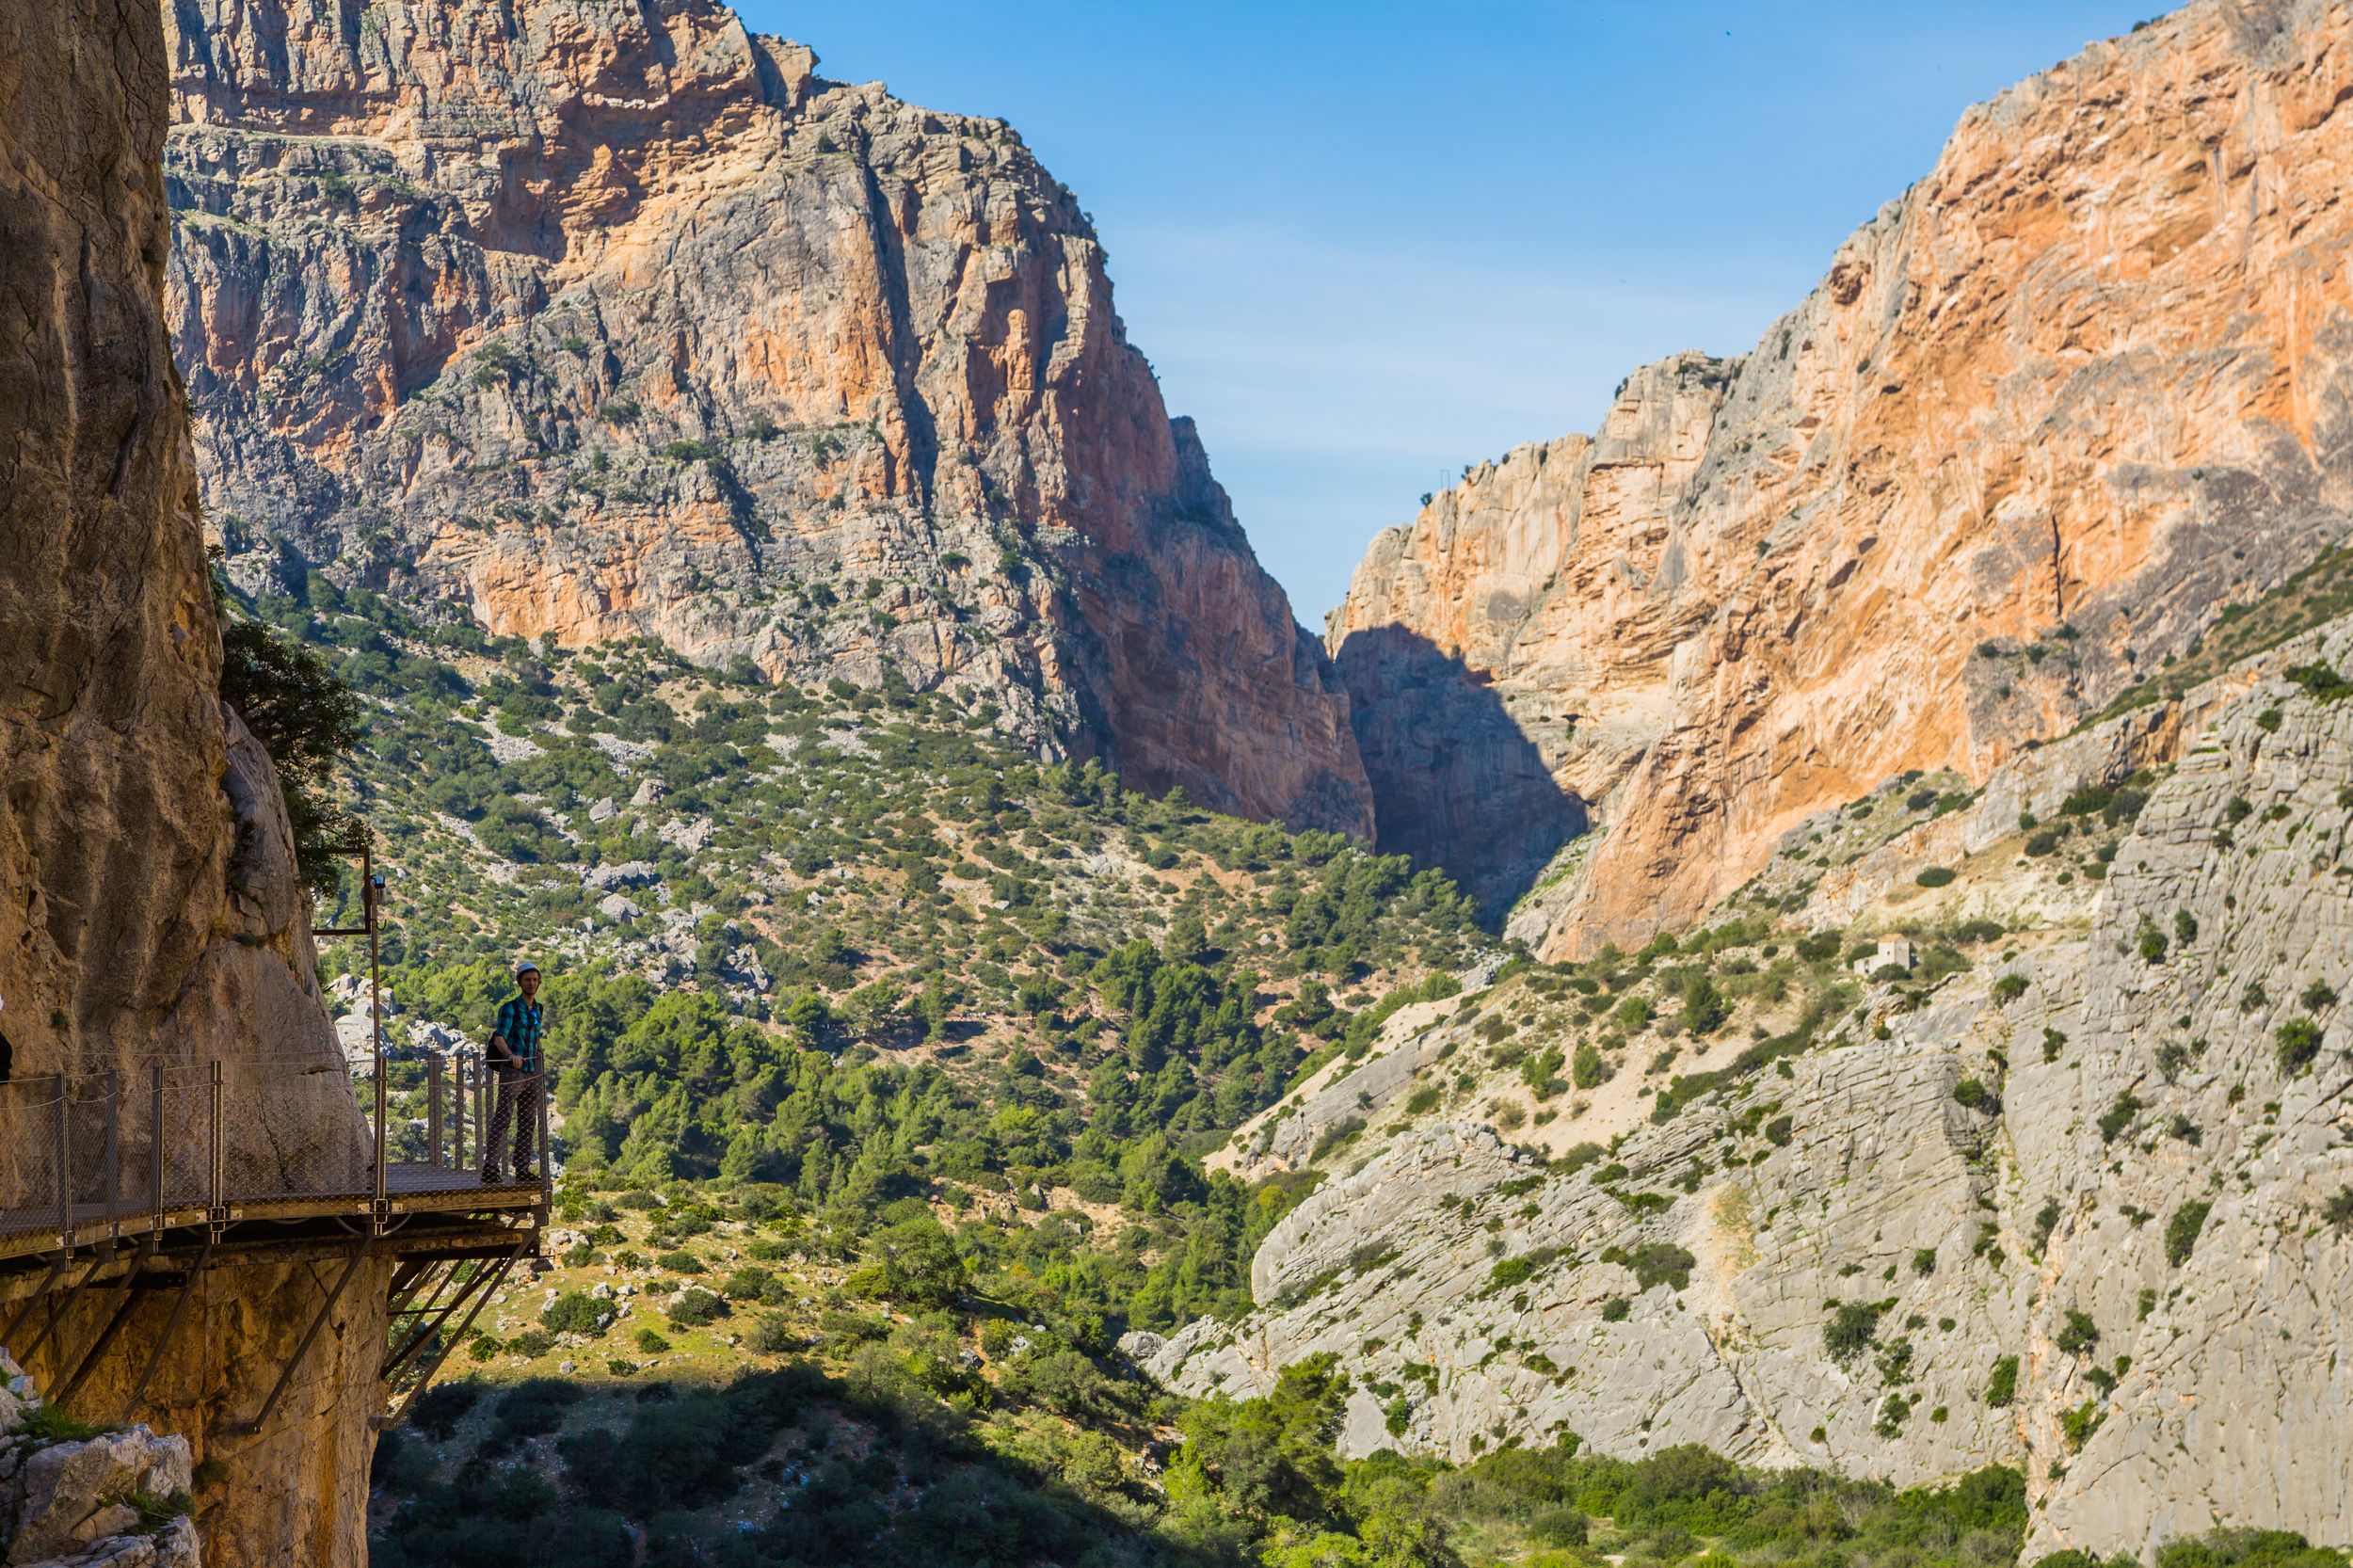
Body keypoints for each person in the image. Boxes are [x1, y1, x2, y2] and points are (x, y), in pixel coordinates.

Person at [481, 961, 546, 1184]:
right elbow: (500, 1037)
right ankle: (490, 1168)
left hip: (531, 1071)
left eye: (535, 980)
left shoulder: (538, 1009)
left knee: (528, 1122)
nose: (532, 983)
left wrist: (539, 1052)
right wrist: (510, 1055)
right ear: (519, 982)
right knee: (503, 1118)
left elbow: (536, 1035)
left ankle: (522, 1168)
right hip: (513, 1071)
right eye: (527, 980)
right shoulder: (509, 1008)